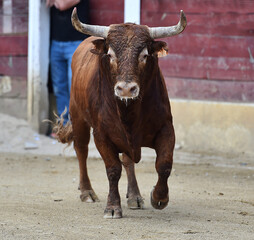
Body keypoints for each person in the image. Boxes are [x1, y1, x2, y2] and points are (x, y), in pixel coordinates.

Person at [46, 0, 90, 127]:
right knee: (59, 86)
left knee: (74, 87)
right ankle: (64, 125)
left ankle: (77, 125)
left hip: (76, 44)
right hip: (56, 43)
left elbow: (62, 5)